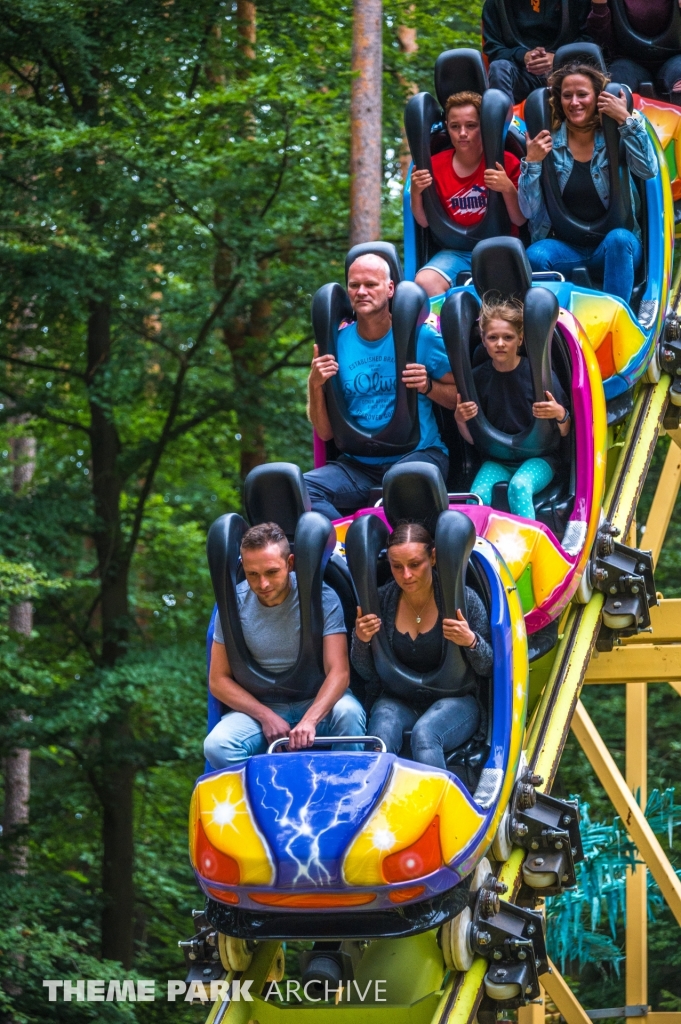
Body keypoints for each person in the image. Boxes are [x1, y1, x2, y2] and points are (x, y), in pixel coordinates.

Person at [305, 253, 458, 521]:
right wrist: (315, 385)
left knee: (401, 481)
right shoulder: (335, 344)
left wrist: (428, 386)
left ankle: (389, 547)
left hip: (418, 456)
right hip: (358, 466)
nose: (361, 292)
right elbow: (326, 432)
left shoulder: (421, 337)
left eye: (370, 284)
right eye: (354, 285)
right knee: (303, 489)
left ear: (390, 289)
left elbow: (458, 397)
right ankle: (348, 547)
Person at [204, 521, 365, 768]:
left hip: (316, 702)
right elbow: (218, 680)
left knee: (349, 714)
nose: (263, 584)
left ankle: (344, 788)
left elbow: (339, 672)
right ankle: (274, 792)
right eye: (252, 574)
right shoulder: (232, 605)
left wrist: (310, 720)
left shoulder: (321, 597)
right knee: (217, 745)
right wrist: (264, 715)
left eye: (271, 572)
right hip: (261, 708)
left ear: (290, 564)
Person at [351, 522, 493, 771]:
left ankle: (434, 808)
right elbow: (367, 673)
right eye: (397, 567)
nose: (406, 575)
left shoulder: (465, 599)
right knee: (381, 731)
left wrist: (471, 642)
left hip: (456, 700)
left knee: (425, 734)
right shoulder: (383, 600)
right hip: (399, 698)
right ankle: (373, 803)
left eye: (415, 564)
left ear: (434, 557)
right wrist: (361, 641)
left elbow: (489, 668)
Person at [519, 61, 657, 306]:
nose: (574, 103)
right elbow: (528, 211)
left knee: (619, 239)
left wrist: (625, 119)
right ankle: (555, 327)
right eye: (567, 95)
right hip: (566, 248)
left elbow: (648, 170)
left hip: (614, 247)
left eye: (582, 94)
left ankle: (613, 320)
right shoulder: (548, 143)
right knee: (536, 254)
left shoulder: (616, 136)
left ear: (598, 98)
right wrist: (532, 163)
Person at [455, 295, 571, 519]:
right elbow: (473, 438)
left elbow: (566, 432)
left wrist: (559, 414)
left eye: (507, 337)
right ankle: (478, 547)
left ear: (519, 340)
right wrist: (460, 419)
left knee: (519, 488)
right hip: (499, 460)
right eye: (493, 337)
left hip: (540, 458)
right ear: (484, 339)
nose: (500, 344)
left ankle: (527, 548)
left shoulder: (539, 376)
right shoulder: (478, 378)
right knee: (477, 495)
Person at [410, 91, 526, 298]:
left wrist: (507, 188)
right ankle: (449, 326)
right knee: (424, 281)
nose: (462, 133)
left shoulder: (506, 162)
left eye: (471, 125)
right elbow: (425, 222)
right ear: (448, 128)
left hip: (500, 247)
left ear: (483, 126)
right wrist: (417, 193)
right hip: (456, 251)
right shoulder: (434, 165)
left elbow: (519, 218)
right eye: (455, 127)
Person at [483, 0, 592, 105]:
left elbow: (590, 40)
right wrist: (523, 56)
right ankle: (505, 121)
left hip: (567, 70)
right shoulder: (496, 3)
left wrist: (558, 57)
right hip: (519, 71)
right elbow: (492, 48)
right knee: (498, 67)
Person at [587, 0, 681, 107]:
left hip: (674, 59)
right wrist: (600, 7)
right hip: (627, 62)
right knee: (614, 90)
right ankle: (624, 122)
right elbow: (603, 40)